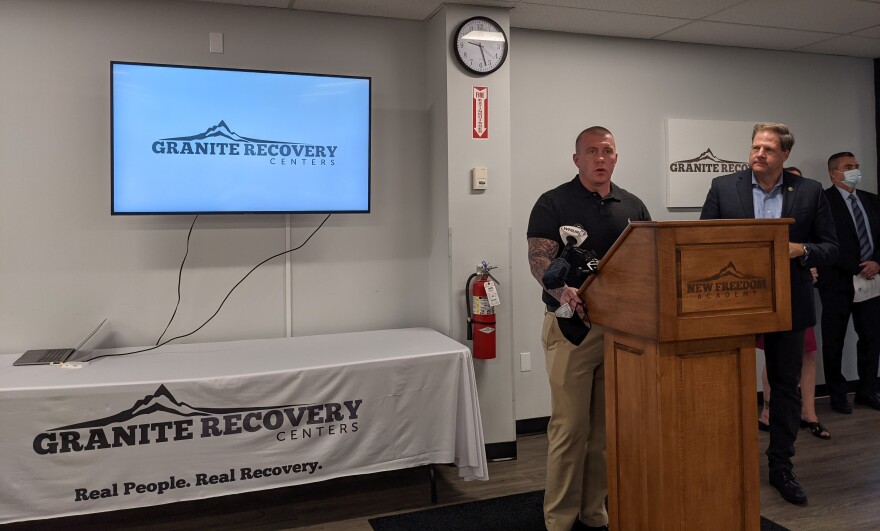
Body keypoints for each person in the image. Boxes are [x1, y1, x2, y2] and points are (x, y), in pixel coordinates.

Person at [700, 123, 838, 506]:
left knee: (785, 387)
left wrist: (801, 250)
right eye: (755, 147)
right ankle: (724, 462)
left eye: (768, 149)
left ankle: (781, 465)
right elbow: (700, 241)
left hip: (788, 302)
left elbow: (830, 246)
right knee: (725, 386)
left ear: (785, 156)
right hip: (731, 302)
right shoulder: (723, 187)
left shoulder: (809, 191)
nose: (759, 153)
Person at [527, 126, 650, 531]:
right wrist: (560, 289)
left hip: (621, 331)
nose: (600, 158)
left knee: (603, 431)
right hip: (571, 329)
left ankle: (594, 511)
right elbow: (539, 259)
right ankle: (559, 520)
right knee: (569, 429)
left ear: (616, 157)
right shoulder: (553, 203)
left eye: (608, 151)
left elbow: (647, 261)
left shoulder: (632, 205)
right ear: (576, 158)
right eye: (592, 151)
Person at [757, 167, 829, 440]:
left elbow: (821, 245)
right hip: (767, 294)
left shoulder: (810, 206)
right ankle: (767, 410)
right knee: (773, 357)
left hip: (799, 296)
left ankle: (808, 411)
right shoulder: (761, 209)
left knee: (807, 352)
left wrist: (807, 258)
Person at [816, 152, 880, 414]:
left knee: (871, 338)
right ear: (833, 173)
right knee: (834, 341)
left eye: (856, 166)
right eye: (848, 167)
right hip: (837, 282)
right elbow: (823, 242)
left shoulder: (871, 200)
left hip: (872, 281)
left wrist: (877, 261)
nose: (855, 170)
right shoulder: (823, 202)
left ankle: (867, 390)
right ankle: (837, 394)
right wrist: (854, 266)